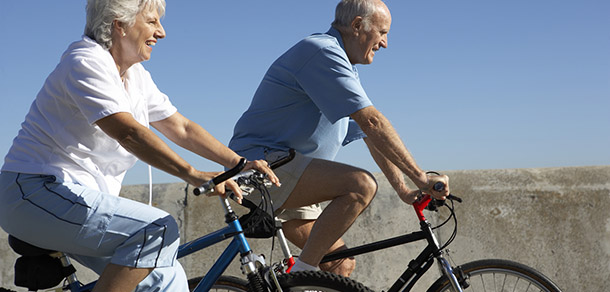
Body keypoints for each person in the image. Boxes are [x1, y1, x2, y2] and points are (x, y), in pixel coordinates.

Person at [0, 0, 278, 291]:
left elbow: (181, 127)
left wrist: (239, 163)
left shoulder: (136, 77)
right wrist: (194, 174)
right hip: (34, 192)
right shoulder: (85, 62)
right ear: (119, 24)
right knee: (156, 229)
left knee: (167, 278)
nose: (162, 32)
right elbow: (128, 132)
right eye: (152, 21)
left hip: (77, 199)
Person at [229, 0, 449, 277]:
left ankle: (302, 275)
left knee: (339, 264)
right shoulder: (322, 52)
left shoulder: (341, 65)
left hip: (290, 171)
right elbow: (373, 121)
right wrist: (420, 176)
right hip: (262, 165)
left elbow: (370, 135)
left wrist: (404, 189)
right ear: (357, 25)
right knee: (360, 184)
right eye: (382, 32)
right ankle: (301, 273)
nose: (385, 43)